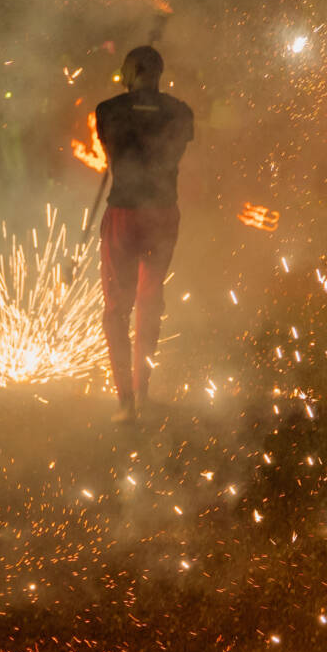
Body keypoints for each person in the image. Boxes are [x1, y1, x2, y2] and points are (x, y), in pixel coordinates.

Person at [93, 45, 195, 421]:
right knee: (150, 301)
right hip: (162, 216)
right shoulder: (181, 112)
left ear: (130, 73)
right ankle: (143, 394)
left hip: (124, 214)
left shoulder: (108, 110)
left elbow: (111, 150)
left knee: (117, 309)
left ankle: (126, 403)